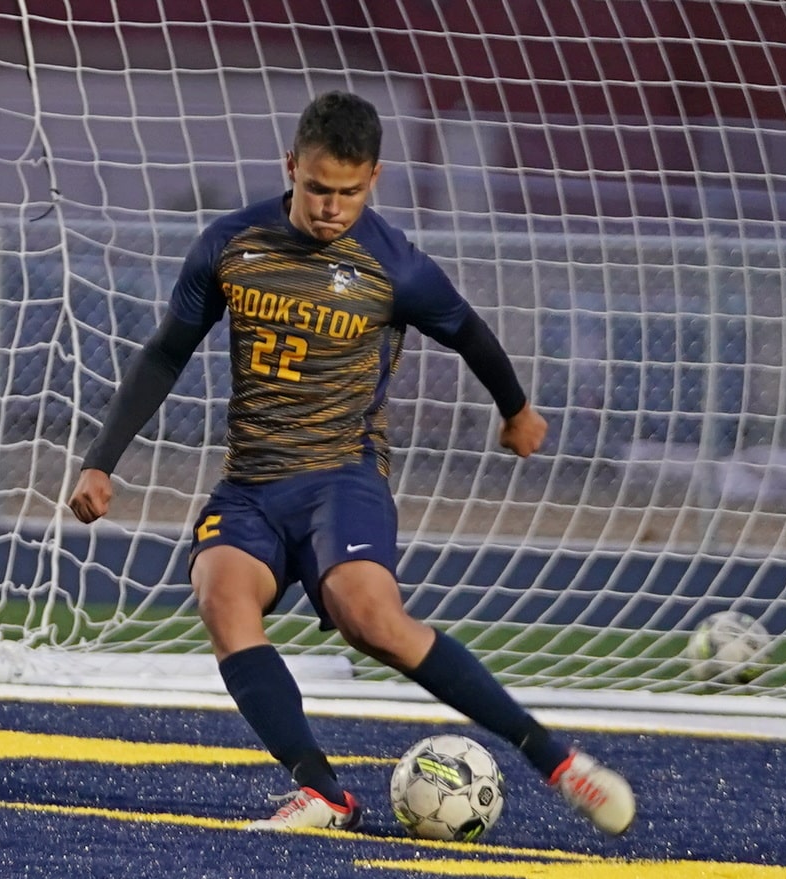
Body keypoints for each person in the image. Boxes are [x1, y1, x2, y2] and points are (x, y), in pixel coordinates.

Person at [68, 90, 635, 836]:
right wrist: (101, 460)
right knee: (220, 593)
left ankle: (557, 759)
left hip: (343, 476)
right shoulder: (231, 244)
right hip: (251, 481)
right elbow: (167, 351)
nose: (331, 207)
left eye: (349, 192)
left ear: (374, 179)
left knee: (372, 619)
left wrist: (517, 409)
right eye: (317, 189)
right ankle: (322, 791)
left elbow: (469, 331)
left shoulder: (394, 265)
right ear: (291, 167)